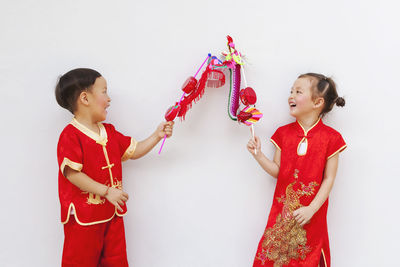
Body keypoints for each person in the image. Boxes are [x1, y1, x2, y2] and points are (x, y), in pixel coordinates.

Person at [55, 68, 174, 266]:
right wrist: (106, 191)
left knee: (116, 261)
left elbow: (134, 151)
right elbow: (73, 174)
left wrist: (157, 135)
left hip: (112, 213)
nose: (109, 99)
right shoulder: (70, 135)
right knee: (80, 261)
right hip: (85, 218)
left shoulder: (108, 132)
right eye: (104, 92)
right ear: (85, 98)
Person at [248, 73, 346, 267]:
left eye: (298, 92)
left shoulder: (331, 138)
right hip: (281, 215)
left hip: (311, 216)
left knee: (307, 258)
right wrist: (258, 155)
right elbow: (278, 171)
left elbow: (329, 179)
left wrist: (311, 209)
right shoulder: (283, 134)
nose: (291, 95)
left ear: (317, 102)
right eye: (291, 91)